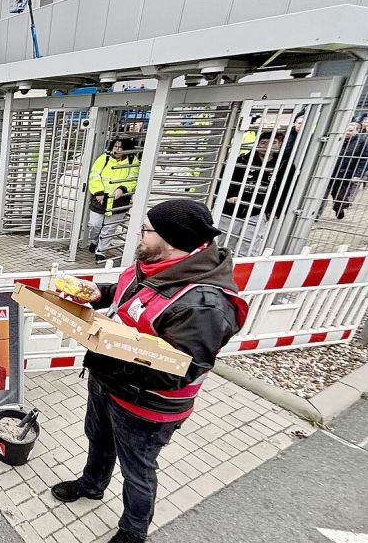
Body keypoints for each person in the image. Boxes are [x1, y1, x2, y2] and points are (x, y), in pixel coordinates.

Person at [50, 199, 247, 543]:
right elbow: (130, 296)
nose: (138, 234)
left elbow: (178, 371)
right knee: (98, 439)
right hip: (107, 382)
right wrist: (100, 294)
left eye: (145, 229)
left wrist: (106, 353)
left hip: (147, 406)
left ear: (170, 239)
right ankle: (93, 484)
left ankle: (133, 530)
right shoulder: (156, 264)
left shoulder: (203, 305)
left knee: (137, 470)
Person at [218, 131, 295, 256]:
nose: (267, 146)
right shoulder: (241, 161)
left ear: (280, 145)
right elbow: (224, 181)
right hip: (231, 209)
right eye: (263, 143)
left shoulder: (285, 166)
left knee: (249, 246)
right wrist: (227, 197)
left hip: (259, 211)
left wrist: (277, 209)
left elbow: (286, 189)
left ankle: (243, 270)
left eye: (273, 143)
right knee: (224, 242)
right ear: (257, 144)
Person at [88, 138, 139, 263]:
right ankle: (94, 241)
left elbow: (133, 179)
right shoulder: (104, 158)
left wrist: (122, 188)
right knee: (94, 224)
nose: (117, 148)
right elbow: (94, 175)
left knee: (109, 228)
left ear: (126, 149)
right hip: (101, 199)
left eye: (120, 147)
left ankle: (101, 251)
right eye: (115, 146)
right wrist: (98, 192)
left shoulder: (133, 161)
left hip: (119, 201)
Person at [326, 121, 368, 219]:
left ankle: (339, 207)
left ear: (357, 131)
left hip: (348, 173)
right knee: (331, 193)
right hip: (332, 172)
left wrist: (357, 175)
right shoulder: (337, 139)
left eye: (351, 130)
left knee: (341, 196)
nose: (348, 132)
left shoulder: (363, 142)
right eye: (346, 130)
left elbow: (364, 161)